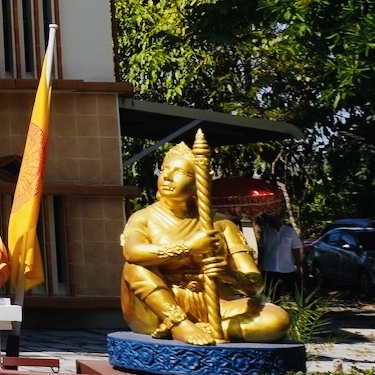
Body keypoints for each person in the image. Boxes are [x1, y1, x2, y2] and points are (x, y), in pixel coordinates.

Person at [120, 142, 290, 344]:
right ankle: (179, 324)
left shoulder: (221, 224)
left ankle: (209, 329)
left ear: (198, 182)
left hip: (214, 302)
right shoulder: (144, 217)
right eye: (164, 170)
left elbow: (255, 285)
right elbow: (131, 252)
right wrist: (189, 247)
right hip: (159, 306)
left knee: (278, 320)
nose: (167, 176)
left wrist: (228, 273)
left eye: (180, 172)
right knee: (135, 266)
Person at [258, 211, 305, 300]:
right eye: (271, 216)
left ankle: (303, 306)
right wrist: (259, 266)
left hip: (287, 268)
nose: (273, 218)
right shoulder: (266, 232)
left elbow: (296, 249)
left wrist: (299, 266)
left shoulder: (290, 231)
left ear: (280, 217)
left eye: (275, 216)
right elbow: (261, 249)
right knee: (272, 295)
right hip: (269, 267)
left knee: (297, 292)